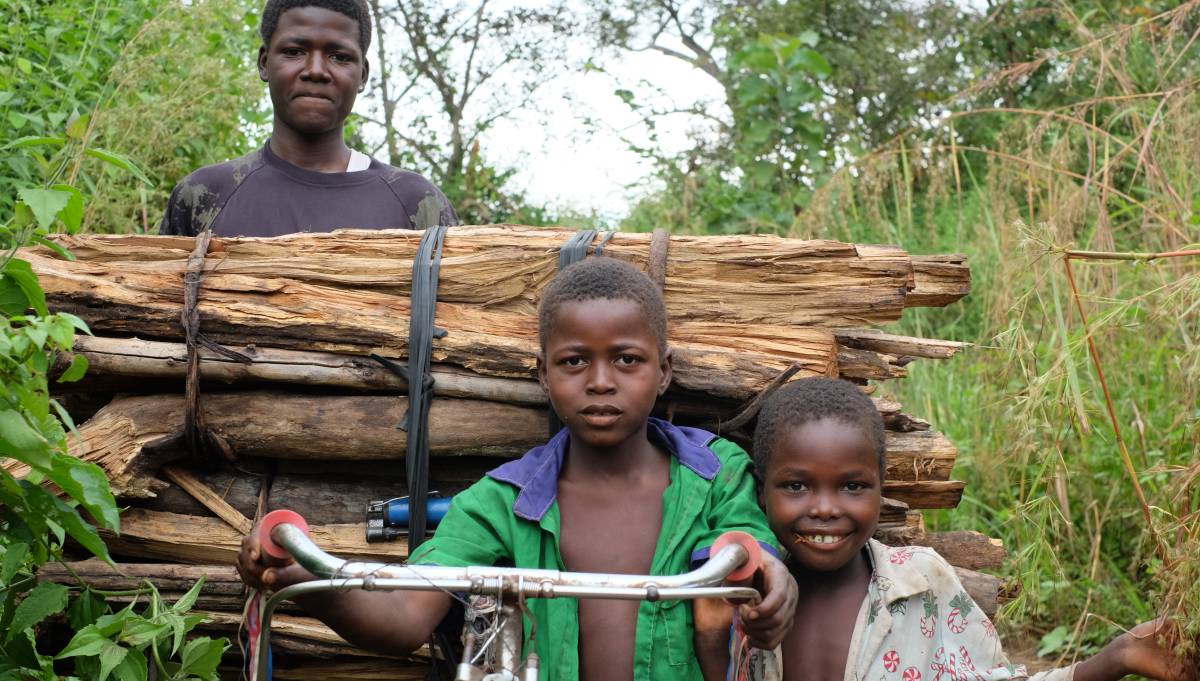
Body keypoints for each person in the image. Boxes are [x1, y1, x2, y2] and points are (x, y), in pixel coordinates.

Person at [236, 257, 799, 681]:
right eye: (574, 361)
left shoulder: (716, 473)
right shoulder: (503, 499)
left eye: (626, 360)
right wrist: (306, 582)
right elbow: (406, 615)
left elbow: (747, 554)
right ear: (542, 374)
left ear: (664, 371)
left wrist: (768, 582)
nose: (601, 381)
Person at [748, 376, 1195, 681]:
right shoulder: (741, 597)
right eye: (796, 485)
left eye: (852, 486)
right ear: (761, 490)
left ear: (880, 490)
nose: (825, 509)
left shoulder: (921, 581)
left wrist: (1116, 658)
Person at [160, 0, 456, 237]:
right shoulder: (203, 196)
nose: (315, 70)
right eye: (294, 51)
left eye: (339, 56)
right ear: (264, 63)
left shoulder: (419, 205)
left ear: (362, 75)